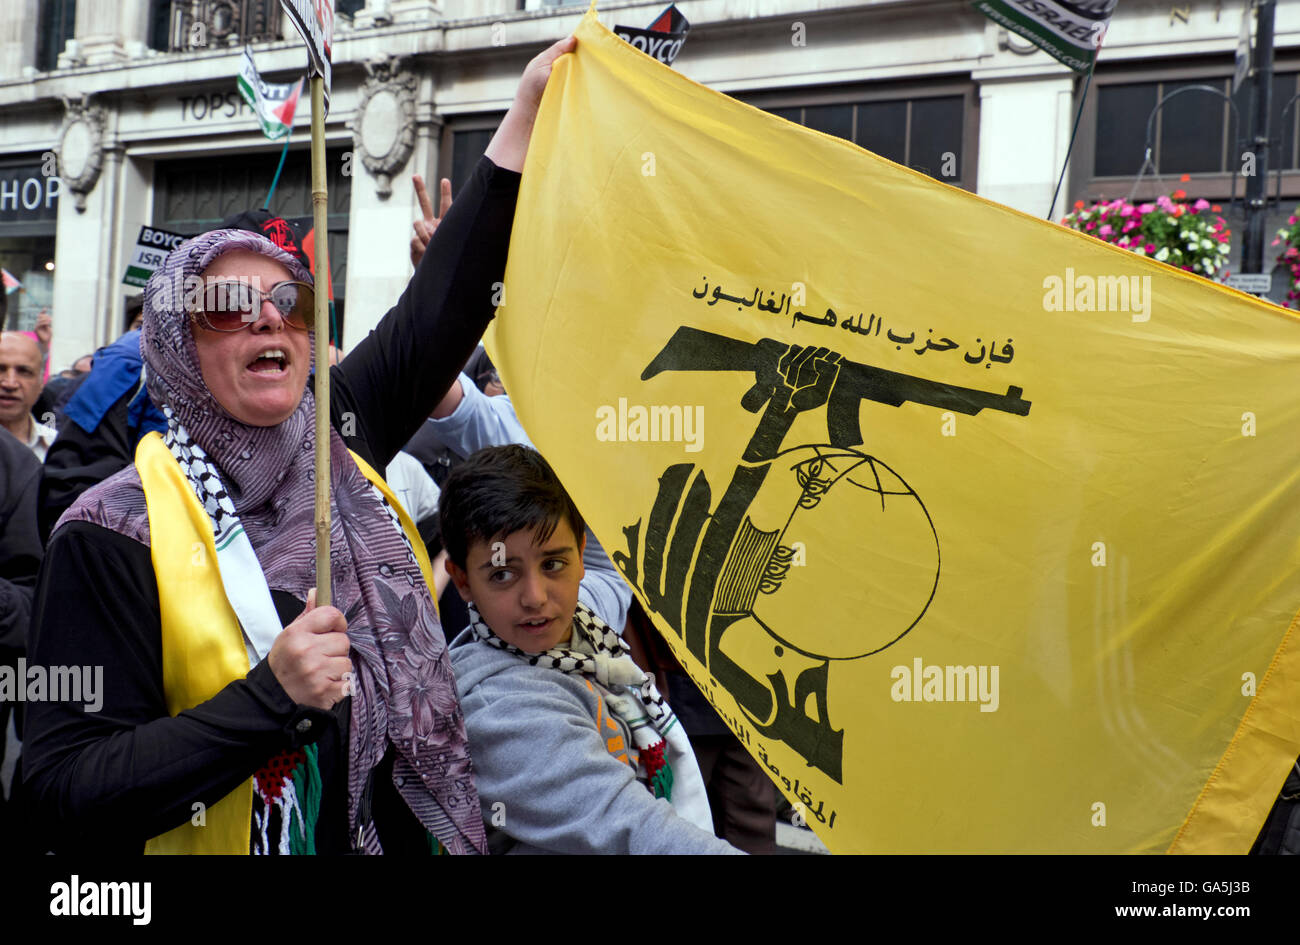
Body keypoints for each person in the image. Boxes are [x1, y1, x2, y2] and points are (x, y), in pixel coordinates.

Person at [21, 35, 576, 855]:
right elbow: (58, 789)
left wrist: (527, 110)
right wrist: (267, 699)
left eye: (289, 299)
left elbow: (446, 304)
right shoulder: (108, 533)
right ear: (175, 344)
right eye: (226, 306)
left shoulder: (340, 430)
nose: (266, 316)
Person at [441, 444, 740, 854]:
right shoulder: (502, 713)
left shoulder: (586, 616)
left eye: (553, 564)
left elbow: (614, 571)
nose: (536, 598)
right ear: (461, 581)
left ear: (580, 555)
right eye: (503, 574)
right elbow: (634, 828)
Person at [0, 332, 55, 461]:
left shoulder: (58, 449)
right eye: (0, 369)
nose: (10, 383)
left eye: (24, 372)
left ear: (41, 383)